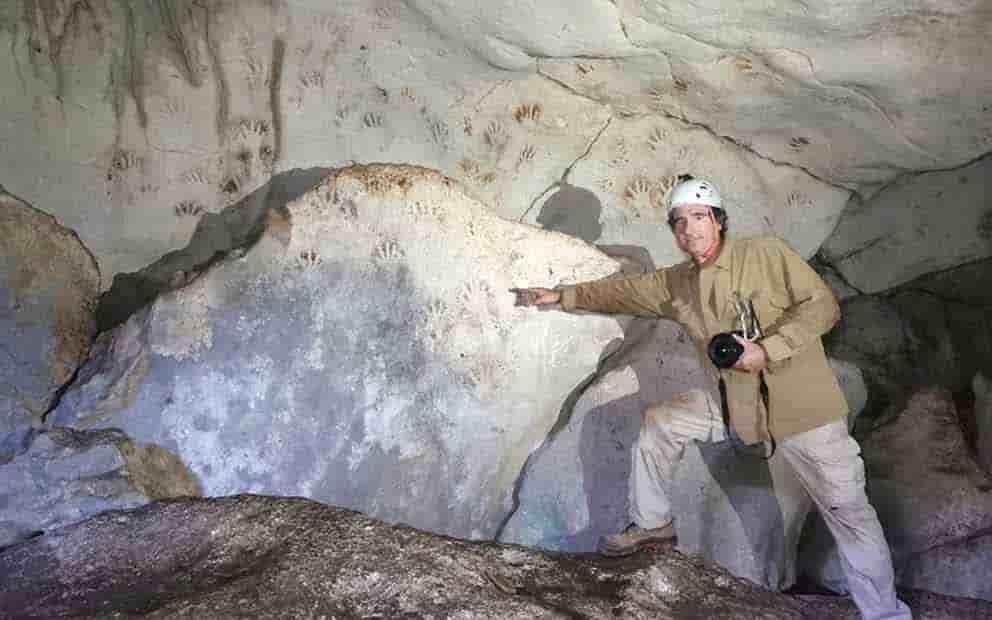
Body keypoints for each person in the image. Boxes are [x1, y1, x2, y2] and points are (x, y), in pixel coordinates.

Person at [511, 178, 911, 620]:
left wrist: (767, 349)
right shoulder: (678, 283)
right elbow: (621, 292)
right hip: (735, 407)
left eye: (699, 217)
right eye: (679, 221)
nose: (689, 229)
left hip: (803, 411)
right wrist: (561, 296)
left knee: (849, 513)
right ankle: (654, 525)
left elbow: (823, 307)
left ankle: (886, 614)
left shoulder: (766, 254)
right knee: (661, 423)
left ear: (718, 220)